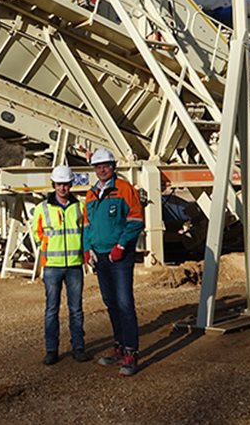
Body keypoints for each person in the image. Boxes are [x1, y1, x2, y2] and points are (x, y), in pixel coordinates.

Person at [83, 148, 144, 377]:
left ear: (113, 166)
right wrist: (87, 249)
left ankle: (131, 351)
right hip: (100, 257)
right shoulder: (91, 194)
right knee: (111, 302)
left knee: (125, 303)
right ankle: (119, 345)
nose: (102, 169)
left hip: (119, 257)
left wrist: (121, 246)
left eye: (106, 165)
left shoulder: (124, 189)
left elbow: (136, 220)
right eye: (98, 167)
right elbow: (87, 225)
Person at [31, 164, 92, 365]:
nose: (62, 188)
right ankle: (51, 350)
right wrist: (45, 245)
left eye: (65, 184)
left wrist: (85, 253)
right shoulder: (42, 208)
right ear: (53, 185)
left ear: (70, 185)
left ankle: (78, 347)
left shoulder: (80, 207)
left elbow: (86, 232)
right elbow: (36, 232)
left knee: (76, 309)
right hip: (52, 266)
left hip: (74, 265)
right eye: (59, 184)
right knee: (51, 309)